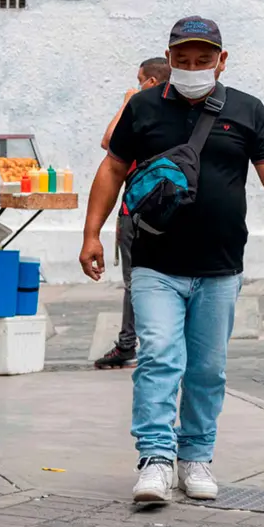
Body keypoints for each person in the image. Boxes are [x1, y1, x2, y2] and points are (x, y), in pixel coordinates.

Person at [79, 16, 264, 503]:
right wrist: (91, 233)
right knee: (159, 357)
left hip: (221, 267)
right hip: (155, 263)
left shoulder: (247, 110)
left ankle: (195, 457)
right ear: (170, 58)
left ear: (222, 61)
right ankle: (155, 459)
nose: (192, 68)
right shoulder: (142, 107)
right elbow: (112, 167)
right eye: (182, 60)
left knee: (207, 369)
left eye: (203, 60)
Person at [94, 57, 171, 370]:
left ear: (150, 82)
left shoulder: (143, 109)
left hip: (139, 211)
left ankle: (130, 344)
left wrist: (128, 102)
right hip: (165, 209)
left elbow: (109, 141)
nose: (136, 85)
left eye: (140, 80)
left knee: (135, 281)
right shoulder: (176, 111)